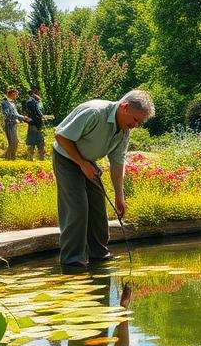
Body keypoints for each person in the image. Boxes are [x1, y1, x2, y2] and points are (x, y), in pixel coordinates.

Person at [52, 90, 153, 269]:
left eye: (140, 122)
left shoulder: (123, 130)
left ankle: (98, 254)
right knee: (77, 207)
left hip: (87, 161)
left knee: (98, 207)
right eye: (136, 120)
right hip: (66, 158)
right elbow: (60, 135)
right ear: (124, 107)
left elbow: (117, 162)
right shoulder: (94, 113)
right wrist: (82, 163)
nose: (136, 125)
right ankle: (72, 260)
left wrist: (119, 196)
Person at [1, 87, 29, 160]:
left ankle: (10, 158)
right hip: (9, 124)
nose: (17, 96)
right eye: (16, 94)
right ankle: (9, 158)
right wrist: (23, 117)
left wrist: (22, 117)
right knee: (13, 142)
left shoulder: (12, 103)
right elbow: (8, 114)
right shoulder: (4, 102)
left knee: (15, 142)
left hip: (14, 124)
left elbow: (15, 113)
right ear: (13, 93)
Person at [24, 85, 47, 160]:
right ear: (34, 92)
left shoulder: (36, 102)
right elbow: (34, 113)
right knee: (32, 142)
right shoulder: (30, 102)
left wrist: (42, 117)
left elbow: (38, 112)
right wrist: (40, 117)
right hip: (34, 124)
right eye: (37, 92)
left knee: (40, 141)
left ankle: (41, 158)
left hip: (37, 124)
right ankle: (31, 158)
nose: (39, 93)